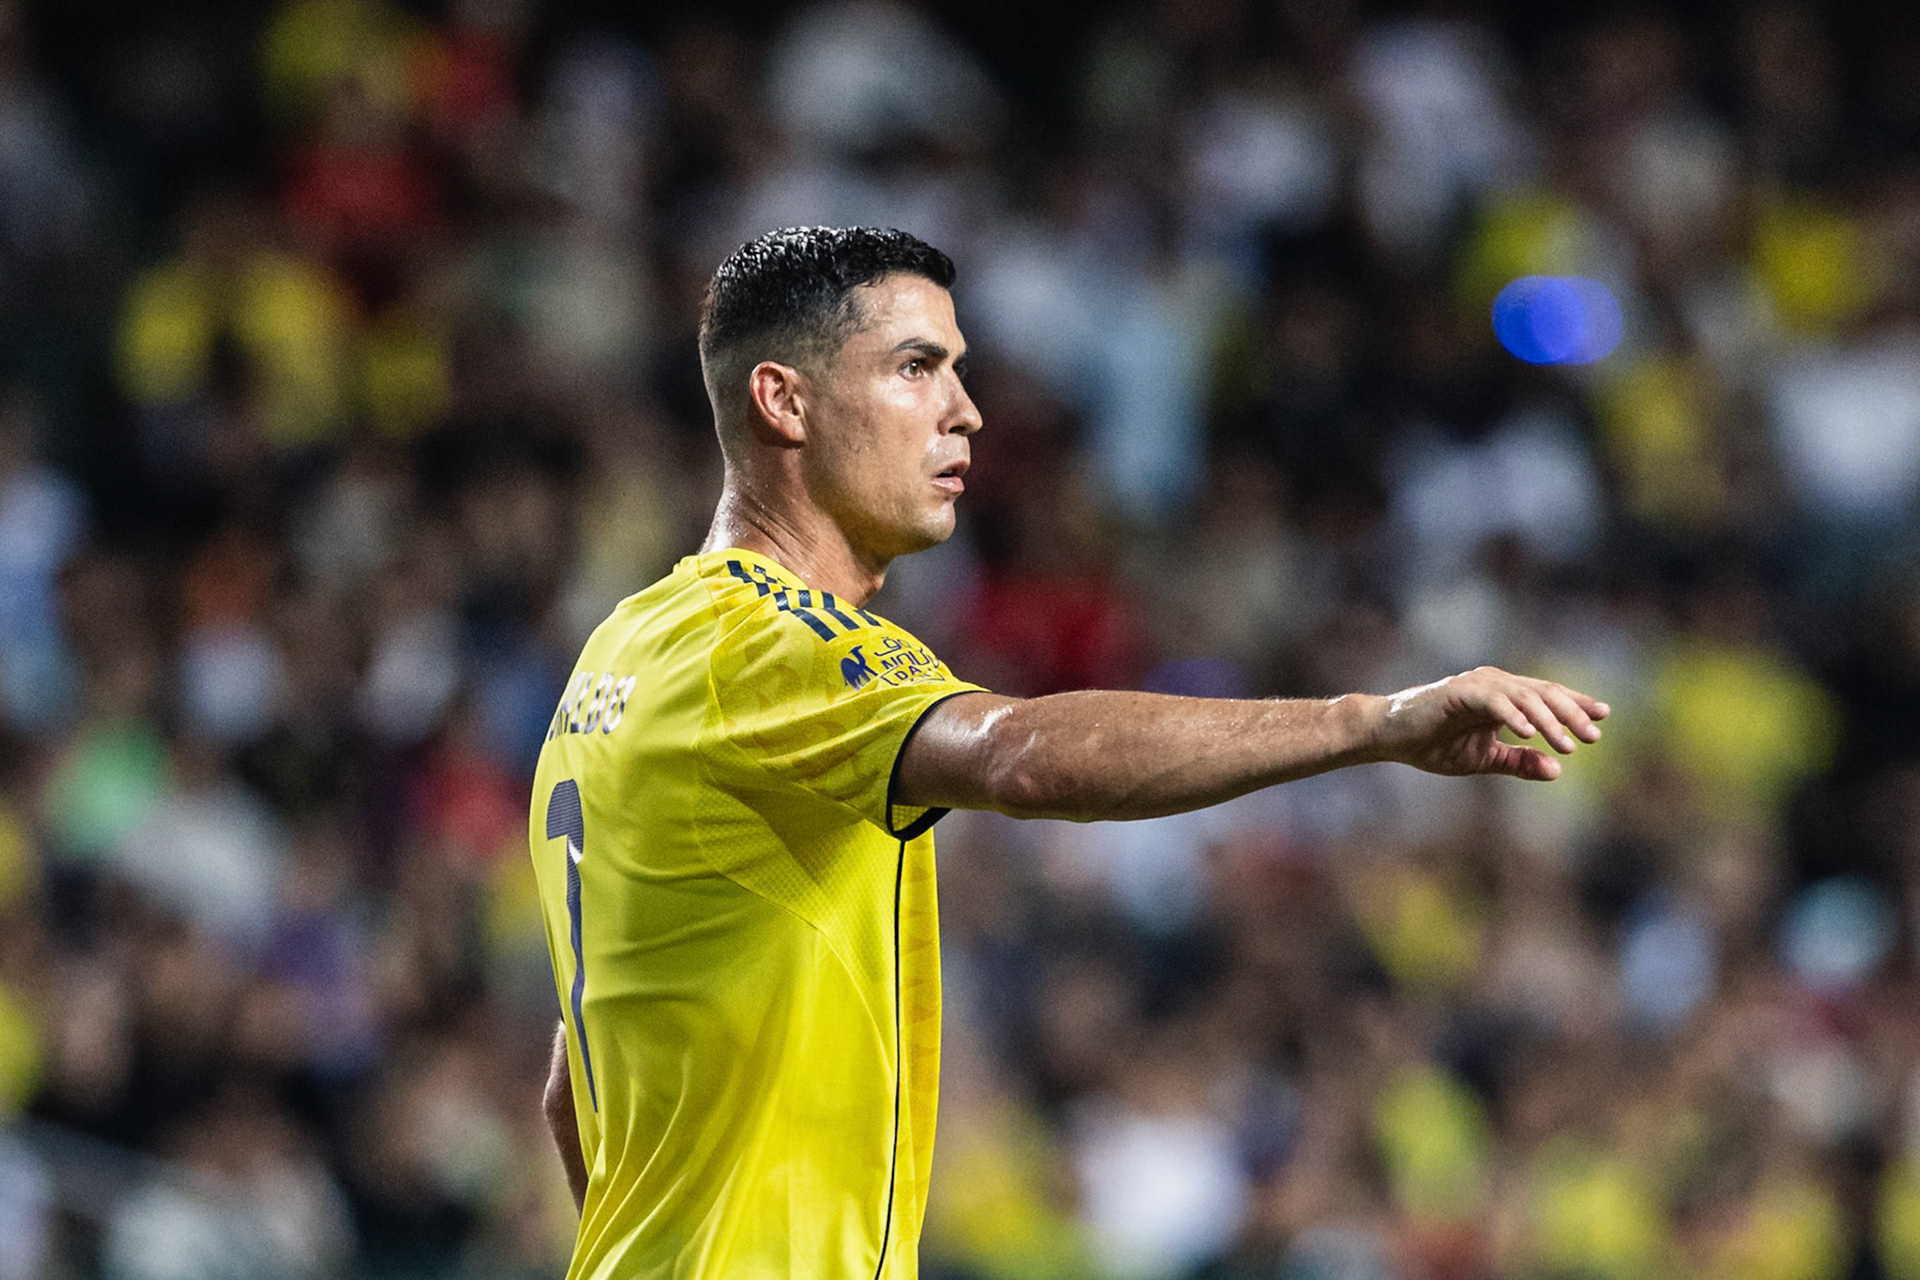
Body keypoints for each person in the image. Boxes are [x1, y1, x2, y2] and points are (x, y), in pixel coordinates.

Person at [529, 226, 1607, 1279]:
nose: (966, 409)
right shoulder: (773, 646)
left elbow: (573, 1099)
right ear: (784, 400)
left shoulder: (620, 653)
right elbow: (1020, 756)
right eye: (916, 367)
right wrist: (1372, 723)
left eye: (959, 368)